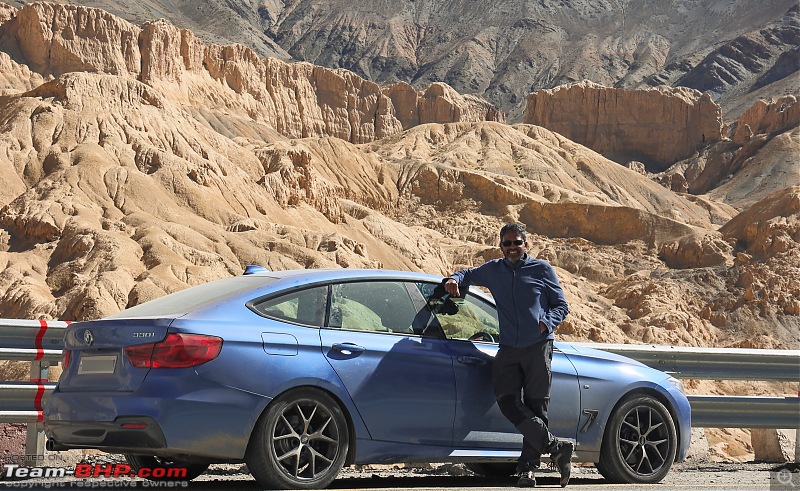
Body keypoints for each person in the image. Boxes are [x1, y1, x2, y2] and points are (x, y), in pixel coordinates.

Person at [444, 223, 573, 488]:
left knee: (537, 408)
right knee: (507, 401)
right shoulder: (494, 270)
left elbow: (562, 305)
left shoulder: (542, 270)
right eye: (507, 244)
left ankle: (527, 470)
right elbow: (467, 274)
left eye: (517, 243)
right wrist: (454, 280)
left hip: (538, 348)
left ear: (526, 244)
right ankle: (557, 447)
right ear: (501, 246)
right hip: (509, 349)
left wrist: (546, 323)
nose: (513, 248)